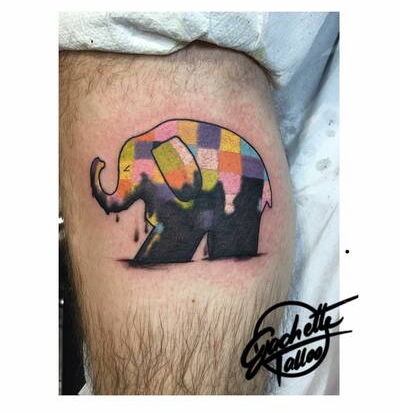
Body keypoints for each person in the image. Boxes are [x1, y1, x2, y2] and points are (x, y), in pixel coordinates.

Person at [60, 41, 295, 394]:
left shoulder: (170, 154)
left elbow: (188, 188)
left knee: (206, 241)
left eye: (132, 176)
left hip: (239, 190)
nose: (126, 189)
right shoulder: (163, 160)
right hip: (226, 189)